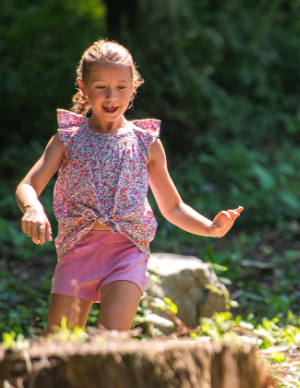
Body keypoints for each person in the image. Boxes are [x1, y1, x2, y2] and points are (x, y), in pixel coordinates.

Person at [16, 40, 243, 334]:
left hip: (127, 251)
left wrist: (211, 227)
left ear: (134, 86)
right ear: (83, 87)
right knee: (59, 345)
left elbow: (173, 207)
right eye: (101, 87)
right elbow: (28, 185)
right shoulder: (68, 139)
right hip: (78, 250)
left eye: (121, 87)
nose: (112, 96)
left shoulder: (146, 142)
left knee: (112, 343)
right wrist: (33, 207)